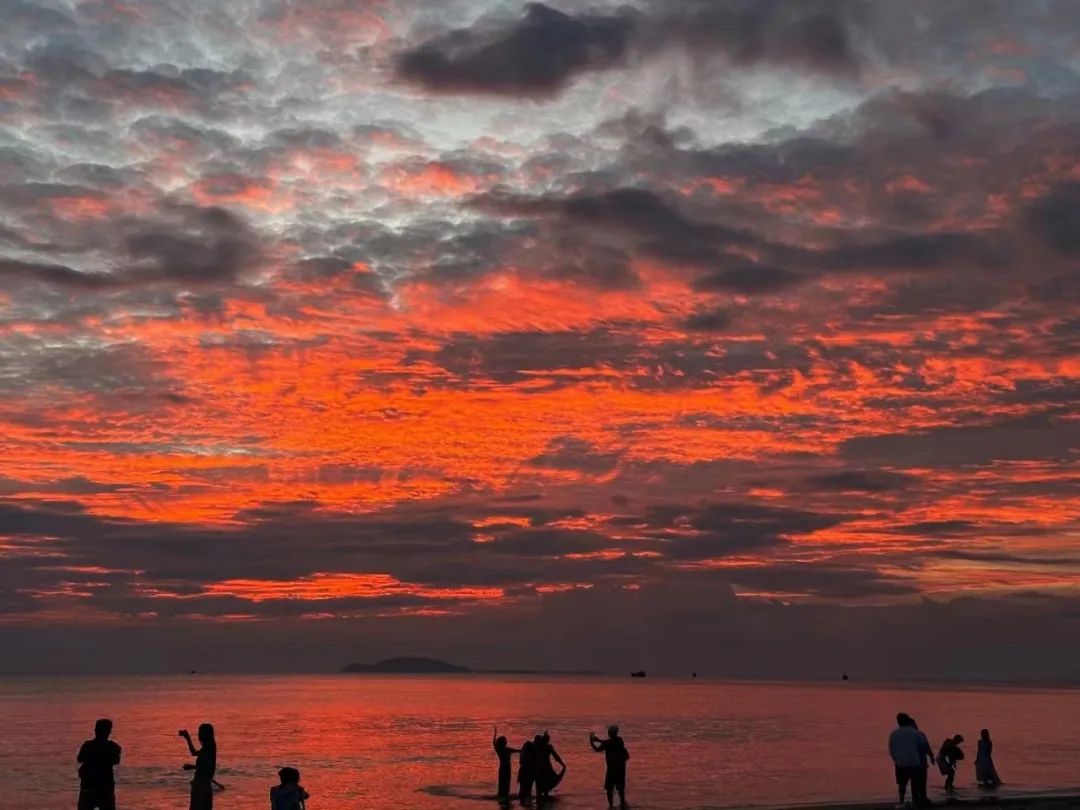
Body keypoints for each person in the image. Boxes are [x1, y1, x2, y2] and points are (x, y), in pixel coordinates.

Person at [888, 713, 933, 807]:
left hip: (900, 762)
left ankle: (901, 801)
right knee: (915, 782)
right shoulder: (915, 733)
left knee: (902, 783)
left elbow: (891, 749)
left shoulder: (894, 734)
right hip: (914, 761)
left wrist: (895, 758)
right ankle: (915, 800)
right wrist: (930, 756)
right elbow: (924, 745)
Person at [77, 719, 122, 810]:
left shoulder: (87, 745)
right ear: (108, 732)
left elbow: (79, 759)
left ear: (96, 730)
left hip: (89, 787)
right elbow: (116, 761)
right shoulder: (112, 747)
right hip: (104, 789)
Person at [590, 725, 629, 809]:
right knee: (616, 788)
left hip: (614, 769)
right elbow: (598, 749)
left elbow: (607, 744)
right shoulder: (617, 741)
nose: (608, 733)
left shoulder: (618, 740)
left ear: (612, 733)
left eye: (609, 732)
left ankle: (616, 805)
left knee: (614, 788)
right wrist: (592, 743)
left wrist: (596, 740)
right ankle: (617, 805)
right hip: (618, 769)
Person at [180, 724, 217, 810]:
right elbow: (194, 753)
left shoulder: (207, 750)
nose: (198, 735)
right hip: (206, 785)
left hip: (200, 785)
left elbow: (203, 767)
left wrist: (191, 767)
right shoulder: (209, 748)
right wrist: (187, 738)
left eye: (199, 732)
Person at [534, 732, 566, 799]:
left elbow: (556, 757)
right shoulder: (547, 747)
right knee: (546, 787)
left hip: (540, 769)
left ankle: (541, 799)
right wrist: (562, 764)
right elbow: (556, 757)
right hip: (545, 769)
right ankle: (544, 798)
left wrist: (562, 764)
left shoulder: (538, 747)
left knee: (540, 788)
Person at [493, 727, 521, 799]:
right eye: (505, 741)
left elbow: (494, 743)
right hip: (507, 768)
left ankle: (501, 794)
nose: (506, 742)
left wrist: (495, 733)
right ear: (504, 743)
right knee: (506, 781)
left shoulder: (499, 750)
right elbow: (518, 751)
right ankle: (505, 794)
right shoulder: (507, 750)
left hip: (502, 767)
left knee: (502, 782)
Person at [517, 738, 535, 802]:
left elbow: (520, 762)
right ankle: (526, 801)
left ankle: (522, 801)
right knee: (528, 788)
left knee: (522, 788)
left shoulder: (523, 754)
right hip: (528, 772)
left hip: (523, 771)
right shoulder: (531, 755)